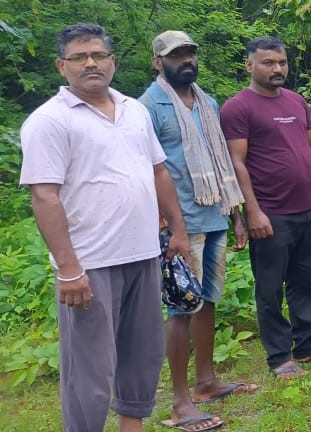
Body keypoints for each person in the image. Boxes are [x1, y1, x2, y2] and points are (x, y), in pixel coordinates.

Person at [21, 24, 192, 432]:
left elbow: (159, 173)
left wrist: (179, 232)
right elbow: (44, 197)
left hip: (143, 254)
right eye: (79, 57)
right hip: (90, 265)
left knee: (143, 355)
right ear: (62, 66)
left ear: (112, 62)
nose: (91, 63)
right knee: (91, 371)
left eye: (98, 55)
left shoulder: (134, 110)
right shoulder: (50, 121)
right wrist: (68, 269)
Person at [140, 30, 255, 429]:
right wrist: (172, 229)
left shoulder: (207, 102)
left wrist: (236, 215)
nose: (186, 60)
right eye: (176, 55)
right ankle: (180, 401)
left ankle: (207, 382)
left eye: (190, 53)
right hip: (180, 225)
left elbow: (222, 160)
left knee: (207, 300)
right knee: (180, 306)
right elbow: (147, 172)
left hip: (216, 215)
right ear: (158, 62)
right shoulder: (148, 108)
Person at [222, 36, 311, 380]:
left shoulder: (295, 101)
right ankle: (279, 357)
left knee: (306, 282)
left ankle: (307, 345)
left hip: (307, 208)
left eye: (281, 62)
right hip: (271, 213)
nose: (277, 69)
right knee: (270, 287)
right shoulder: (237, 108)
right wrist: (253, 211)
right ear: (250, 65)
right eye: (268, 63)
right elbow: (237, 162)